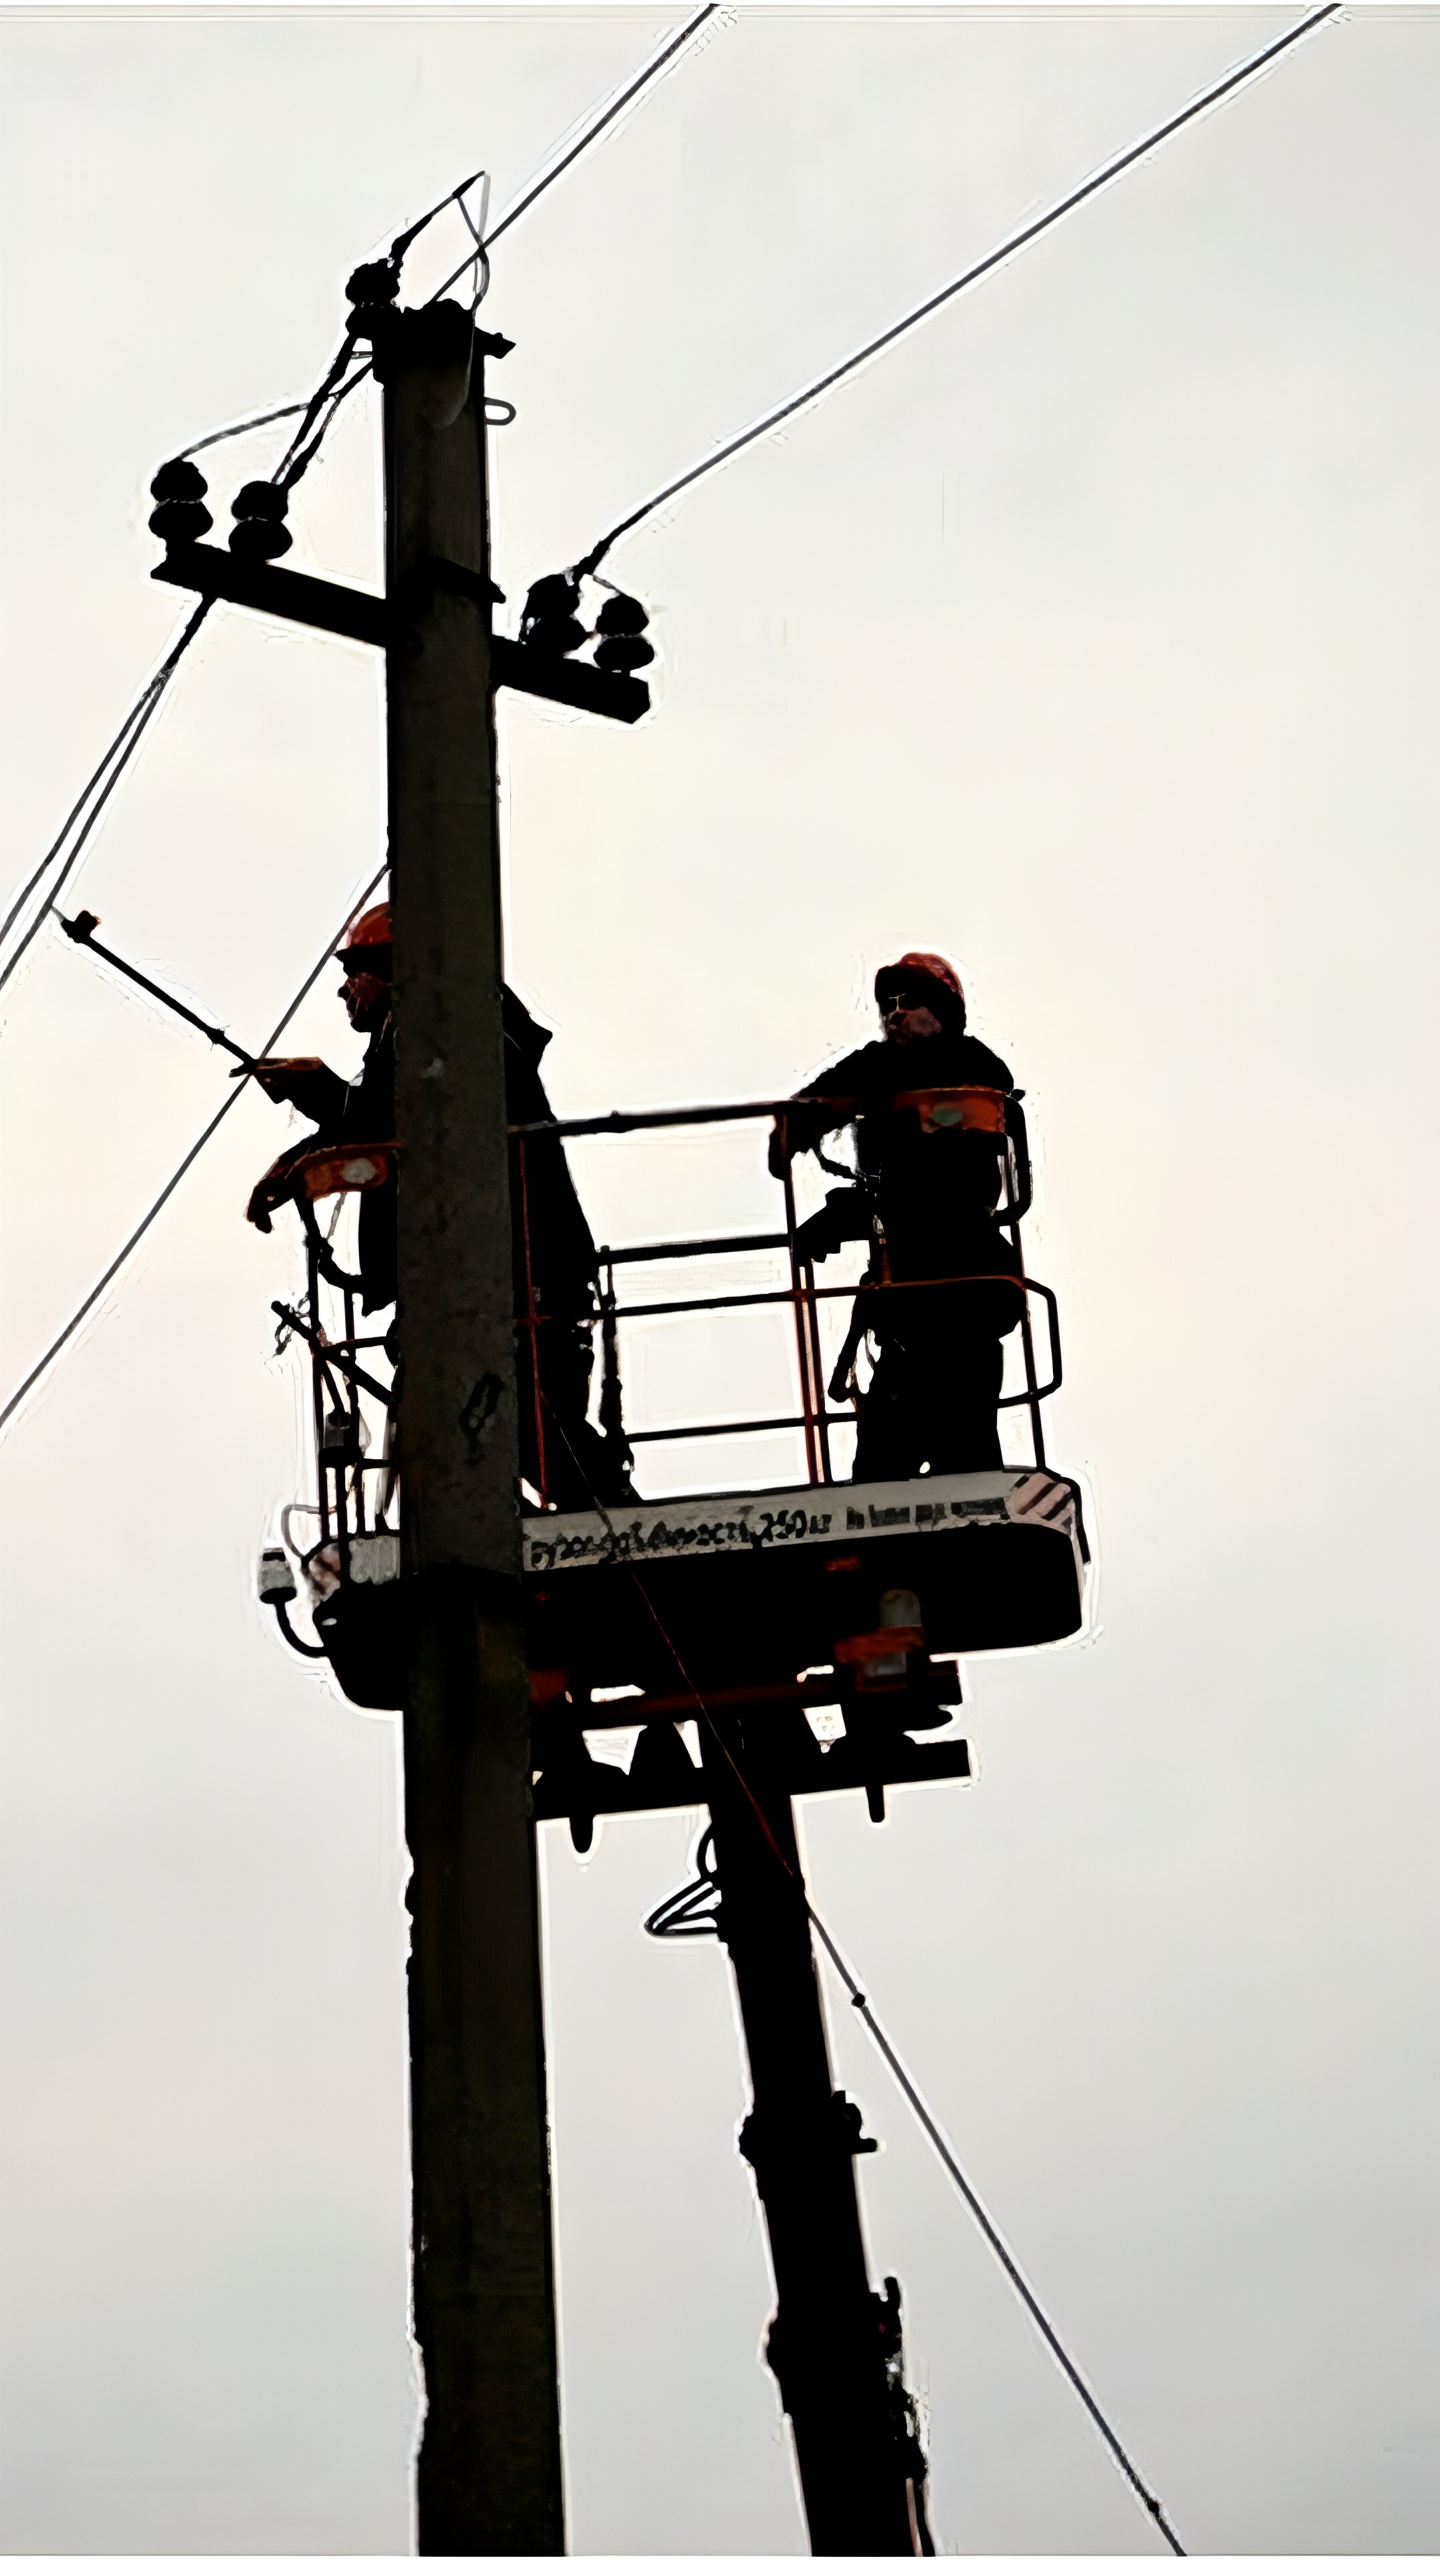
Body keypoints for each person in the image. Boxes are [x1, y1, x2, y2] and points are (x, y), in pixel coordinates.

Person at [245, 903, 630, 1509]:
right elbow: (386, 1118)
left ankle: (610, 1521)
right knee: (467, 1421)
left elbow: (409, 1118)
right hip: (492, 1275)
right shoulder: (418, 1035)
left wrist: (316, 1092)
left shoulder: (450, 1024)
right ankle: (563, 1521)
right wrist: (303, 1154)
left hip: (520, 1269)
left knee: (508, 1415)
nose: (344, 990)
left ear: (393, 971)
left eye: (354, 972)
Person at [771, 951, 1023, 1480]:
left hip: (961, 1301)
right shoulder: (887, 1083)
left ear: (943, 1012)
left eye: (910, 1003)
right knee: (878, 1480)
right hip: (909, 1312)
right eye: (888, 1004)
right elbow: (901, 1190)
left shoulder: (969, 1071)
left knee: (968, 1471)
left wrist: (814, 1117)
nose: (894, 1014)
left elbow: (931, 1188)